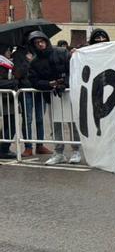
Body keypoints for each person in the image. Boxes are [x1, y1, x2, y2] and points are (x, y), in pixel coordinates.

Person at [24, 30, 78, 165]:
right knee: (56, 125)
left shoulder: (61, 52)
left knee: (72, 123)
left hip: (67, 92)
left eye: (41, 41)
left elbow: (73, 69)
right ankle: (59, 152)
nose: (40, 44)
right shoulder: (35, 62)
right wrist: (50, 84)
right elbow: (34, 81)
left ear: (46, 41)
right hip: (52, 95)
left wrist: (64, 83)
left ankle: (76, 150)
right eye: (37, 43)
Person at [0, 46, 19, 160]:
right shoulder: (2, 64)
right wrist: (14, 82)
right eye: (8, 50)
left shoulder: (7, 63)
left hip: (8, 100)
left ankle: (4, 147)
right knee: (11, 125)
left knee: (9, 124)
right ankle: (3, 149)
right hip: (4, 99)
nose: (10, 52)